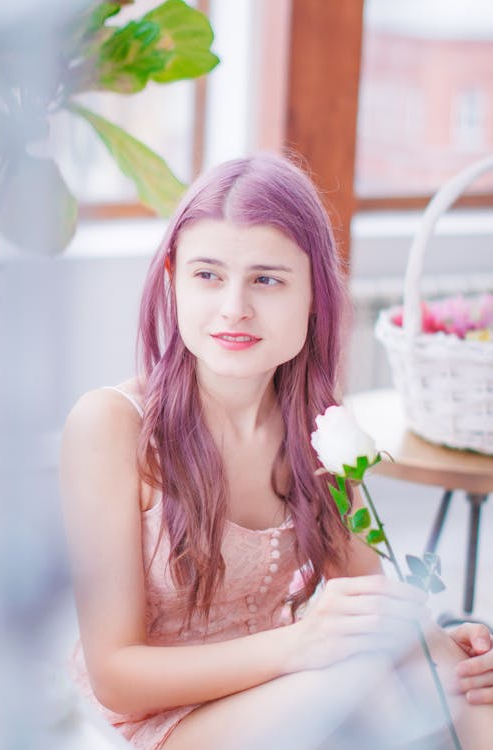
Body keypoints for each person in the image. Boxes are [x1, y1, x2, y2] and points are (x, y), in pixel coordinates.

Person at [60, 153, 493, 750]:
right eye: (208, 274)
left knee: (459, 682)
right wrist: (301, 643)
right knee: (365, 674)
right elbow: (116, 677)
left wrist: (447, 649)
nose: (235, 306)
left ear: (315, 294)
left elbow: (371, 603)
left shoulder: (320, 433)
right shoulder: (111, 426)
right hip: (156, 722)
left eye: (267, 279)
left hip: (279, 693)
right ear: (171, 279)